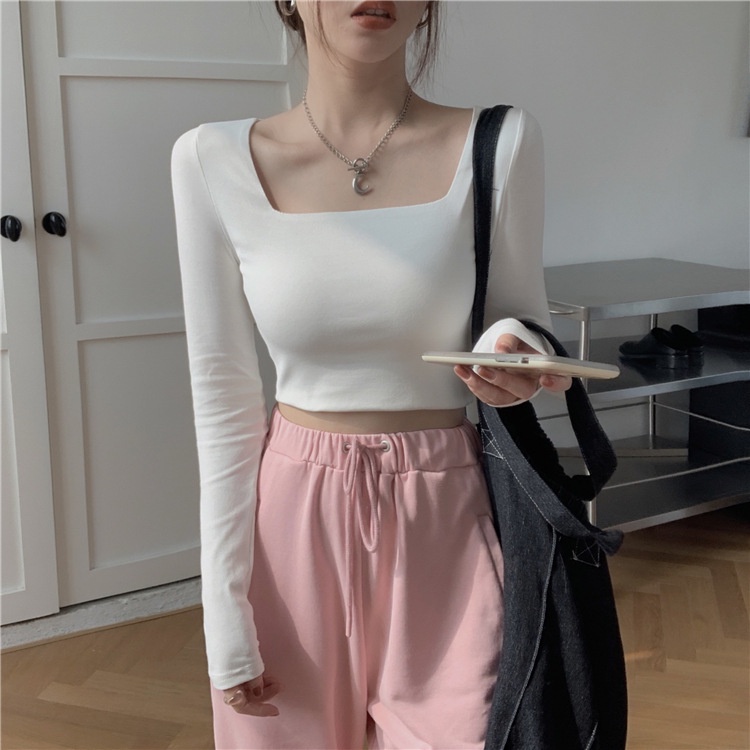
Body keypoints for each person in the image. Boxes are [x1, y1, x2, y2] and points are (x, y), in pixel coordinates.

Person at [171, 2, 571, 747]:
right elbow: (222, 401)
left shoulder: (500, 141)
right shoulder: (209, 159)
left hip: (446, 518)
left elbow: (520, 316)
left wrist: (512, 349)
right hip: (290, 528)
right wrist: (223, 609)